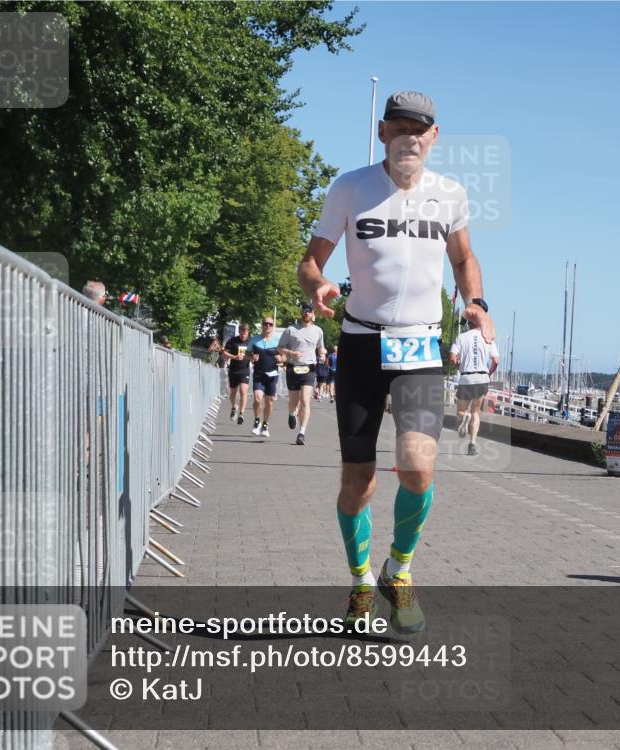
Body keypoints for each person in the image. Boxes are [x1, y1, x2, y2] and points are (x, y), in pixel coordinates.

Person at [296, 90, 495, 633]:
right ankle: (361, 582)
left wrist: (475, 303)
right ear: (382, 133)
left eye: (420, 129)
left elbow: (463, 257)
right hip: (360, 342)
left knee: (419, 466)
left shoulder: (450, 193)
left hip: (421, 345)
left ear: (435, 137)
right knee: (357, 480)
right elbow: (311, 261)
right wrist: (316, 286)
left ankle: (398, 572)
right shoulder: (351, 188)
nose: (409, 137)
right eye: (399, 127)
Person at [450, 317, 500, 456]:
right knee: (476, 412)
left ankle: (464, 416)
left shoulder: (462, 337)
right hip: (482, 378)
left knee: (461, 411)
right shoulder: (487, 338)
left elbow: (452, 357)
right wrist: (488, 373)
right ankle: (472, 444)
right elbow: (496, 360)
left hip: (467, 377)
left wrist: (459, 367)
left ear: (469, 324)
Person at [277, 303, 325, 445]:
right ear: (301, 313)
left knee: (305, 400)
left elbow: (321, 347)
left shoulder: (318, 331)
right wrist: (291, 353)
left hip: (309, 368)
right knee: (294, 401)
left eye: (309, 312)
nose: (306, 314)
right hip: (293, 368)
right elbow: (280, 348)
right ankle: (292, 413)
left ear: (312, 314)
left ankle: (302, 432)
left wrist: (322, 354)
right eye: (304, 312)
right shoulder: (290, 330)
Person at [250, 316, 283, 437]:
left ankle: (265, 425)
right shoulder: (254, 340)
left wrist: (281, 359)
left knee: (269, 402)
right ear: (262, 325)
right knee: (257, 399)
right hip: (258, 374)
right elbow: (248, 353)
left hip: (272, 376)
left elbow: (284, 357)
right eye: (265, 324)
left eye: (270, 324)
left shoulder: (278, 341)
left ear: (273, 326)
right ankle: (256, 421)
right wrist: (252, 357)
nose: (267, 326)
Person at [222, 323, 252, 424]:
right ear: (239, 331)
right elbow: (224, 352)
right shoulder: (233, 341)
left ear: (248, 333)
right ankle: (234, 406)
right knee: (233, 392)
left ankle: (241, 414)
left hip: (245, 370)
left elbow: (254, 355)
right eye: (242, 331)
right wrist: (234, 357)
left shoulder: (251, 342)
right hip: (234, 370)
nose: (243, 334)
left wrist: (252, 358)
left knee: (243, 391)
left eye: (245, 332)